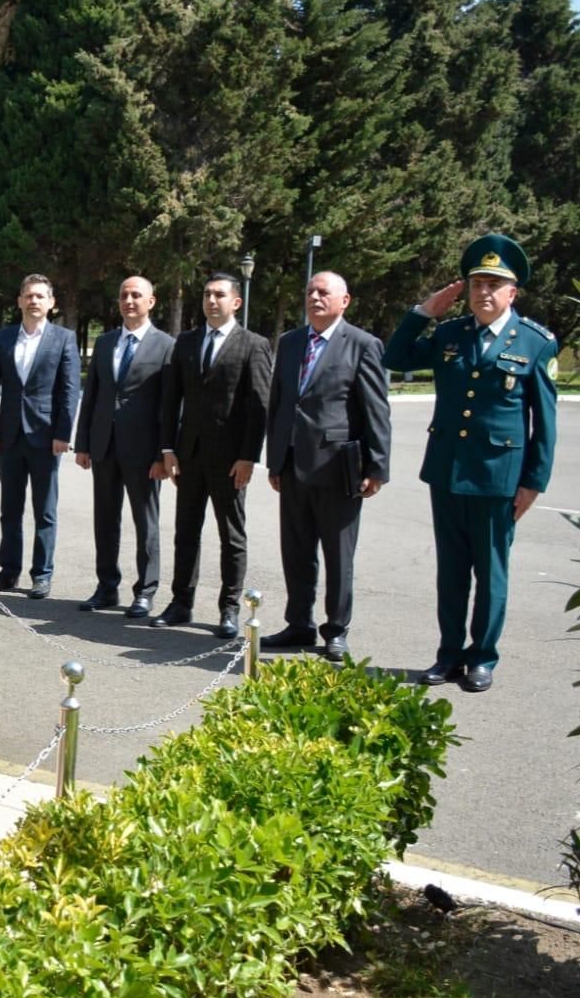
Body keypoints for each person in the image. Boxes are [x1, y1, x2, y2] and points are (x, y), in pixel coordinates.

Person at [381, 233, 558, 692]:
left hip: (500, 478)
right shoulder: (450, 334)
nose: (483, 292)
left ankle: (483, 657)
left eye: (493, 284)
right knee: (452, 573)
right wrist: (423, 313)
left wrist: (533, 482)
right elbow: (395, 356)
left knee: (491, 572)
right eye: (476, 283)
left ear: (512, 292)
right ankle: (449, 656)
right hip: (448, 473)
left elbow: (545, 421)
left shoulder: (535, 343)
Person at [262, 271, 391, 662]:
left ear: (344, 301)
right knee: (296, 551)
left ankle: (335, 630)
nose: (315, 298)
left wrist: (377, 466)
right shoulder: (289, 343)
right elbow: (281, 403)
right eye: (310, 292)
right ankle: (299, 623)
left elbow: (376, 409)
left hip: (340, 467)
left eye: (324, 292)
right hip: (294, 465)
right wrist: (275, 459)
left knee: (338, 555)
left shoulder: (364, 345)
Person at [152, 272, 272, 638]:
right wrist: (169, 449)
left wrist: (248, 456)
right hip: (188, 456)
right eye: (206, 295)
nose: (211, 301)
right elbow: (171, 400)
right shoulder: (186, 342)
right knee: (185, 532)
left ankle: (229, 608)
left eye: (219, 295)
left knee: (231, 536)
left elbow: (259, 405)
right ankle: (180, 603)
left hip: (230, 459)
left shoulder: (253, 344)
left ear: (236, 301)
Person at [74, 276, 175, 618]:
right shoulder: (105, 343)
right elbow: (93, 396)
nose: (129, 300)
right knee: (105, 519)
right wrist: (83, 442)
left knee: (145, 522)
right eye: (124, 295)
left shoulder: (165, 346)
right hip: (104, 445)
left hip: (144, 451)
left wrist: (165, 453)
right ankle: (106, 587)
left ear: (151, 301)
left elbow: (169, 405)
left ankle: (145, 591)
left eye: (136, 295)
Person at [0, 274, 79, 599]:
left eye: (40, 296)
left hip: (46, 437)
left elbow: (69, 390)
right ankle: (9, 572)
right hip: (8, 436)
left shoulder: (63, 338)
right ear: (19, 301)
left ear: (51, 303)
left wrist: (63, 433)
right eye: (28, 296)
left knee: (44, 511)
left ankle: (42, 575)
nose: (33, 301)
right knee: (10, 509)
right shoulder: (4, 338)